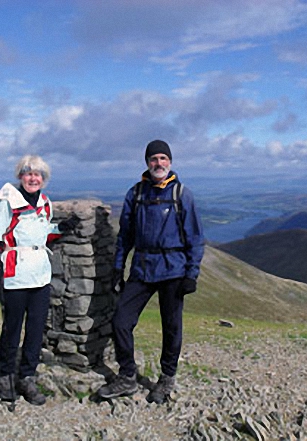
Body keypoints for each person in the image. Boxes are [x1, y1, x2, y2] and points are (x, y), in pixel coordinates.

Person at [97, 140, 205, 404]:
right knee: (121, 320)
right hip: (143, 268)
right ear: (147, 163)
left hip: (174, 270)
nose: (158, 163)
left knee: (171, 327)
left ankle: (167, 378)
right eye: (153, 159)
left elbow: (195, 237)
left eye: (162, 158)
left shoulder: (182, 194)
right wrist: (117, 267)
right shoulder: (136, 194)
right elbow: (125, 236)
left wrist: (191, 273)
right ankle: (128, 376)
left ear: (170, 161)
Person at [0, 155, 79, 406]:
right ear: (20, 176)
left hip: (40, 275)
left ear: (43, 180)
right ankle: (6, 377)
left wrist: (62, 228)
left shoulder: (45, 203)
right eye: (28, 173)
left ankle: (27, 377)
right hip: (14, 275)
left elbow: (44, 232)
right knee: (12, 329)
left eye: (38, 175)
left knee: (35, 331)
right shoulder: (9, 204)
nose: (33, 178)